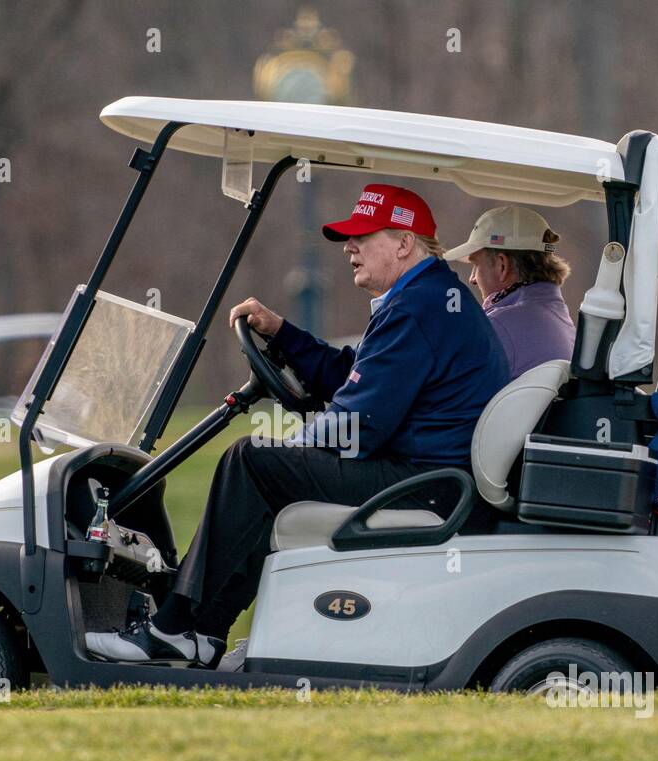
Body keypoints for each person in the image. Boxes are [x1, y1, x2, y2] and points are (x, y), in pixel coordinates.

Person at [84, 183, 509, 667]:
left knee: (252, 460)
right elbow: (357, 374)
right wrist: (283, 333)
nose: (349, 248)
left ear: (404, 243)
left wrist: (294, 447)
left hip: (427, 483)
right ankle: (202, 633)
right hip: (430, 475)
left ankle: (176, 626)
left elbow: (359, 424)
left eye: (362, 237)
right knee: (270, 466)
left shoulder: (418, 307)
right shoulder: (430, 295)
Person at [445, 205, 575, 378]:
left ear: (502, 265)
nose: (472, 279)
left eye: (476, 265)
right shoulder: (561, 319)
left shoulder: (498, 326)